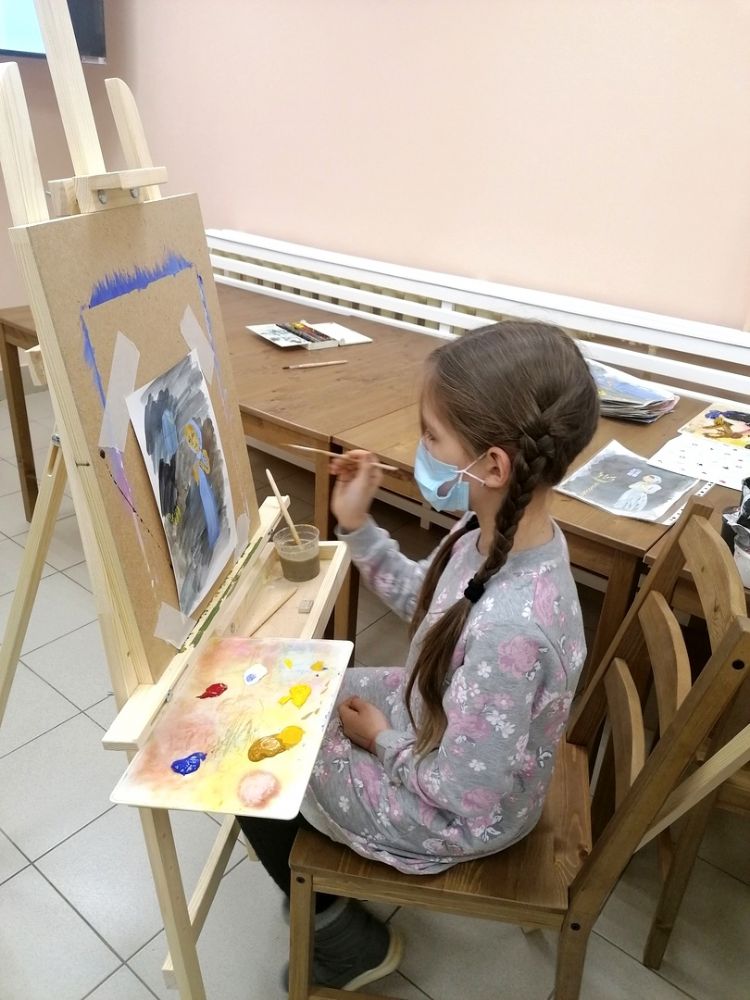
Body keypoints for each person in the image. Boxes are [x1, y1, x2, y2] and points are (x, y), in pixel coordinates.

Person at [239, 321, 599, 991]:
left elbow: (464, 792)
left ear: (494, 466)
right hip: (439, 730)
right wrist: (356, 524)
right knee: (287, 688)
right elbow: (430, 604)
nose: (418, 449)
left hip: (459, 810)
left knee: (253, 753)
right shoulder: (493, 530)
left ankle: (341, 942)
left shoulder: (513, 631)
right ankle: (328, 898)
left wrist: (381, 740)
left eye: (431, 436)